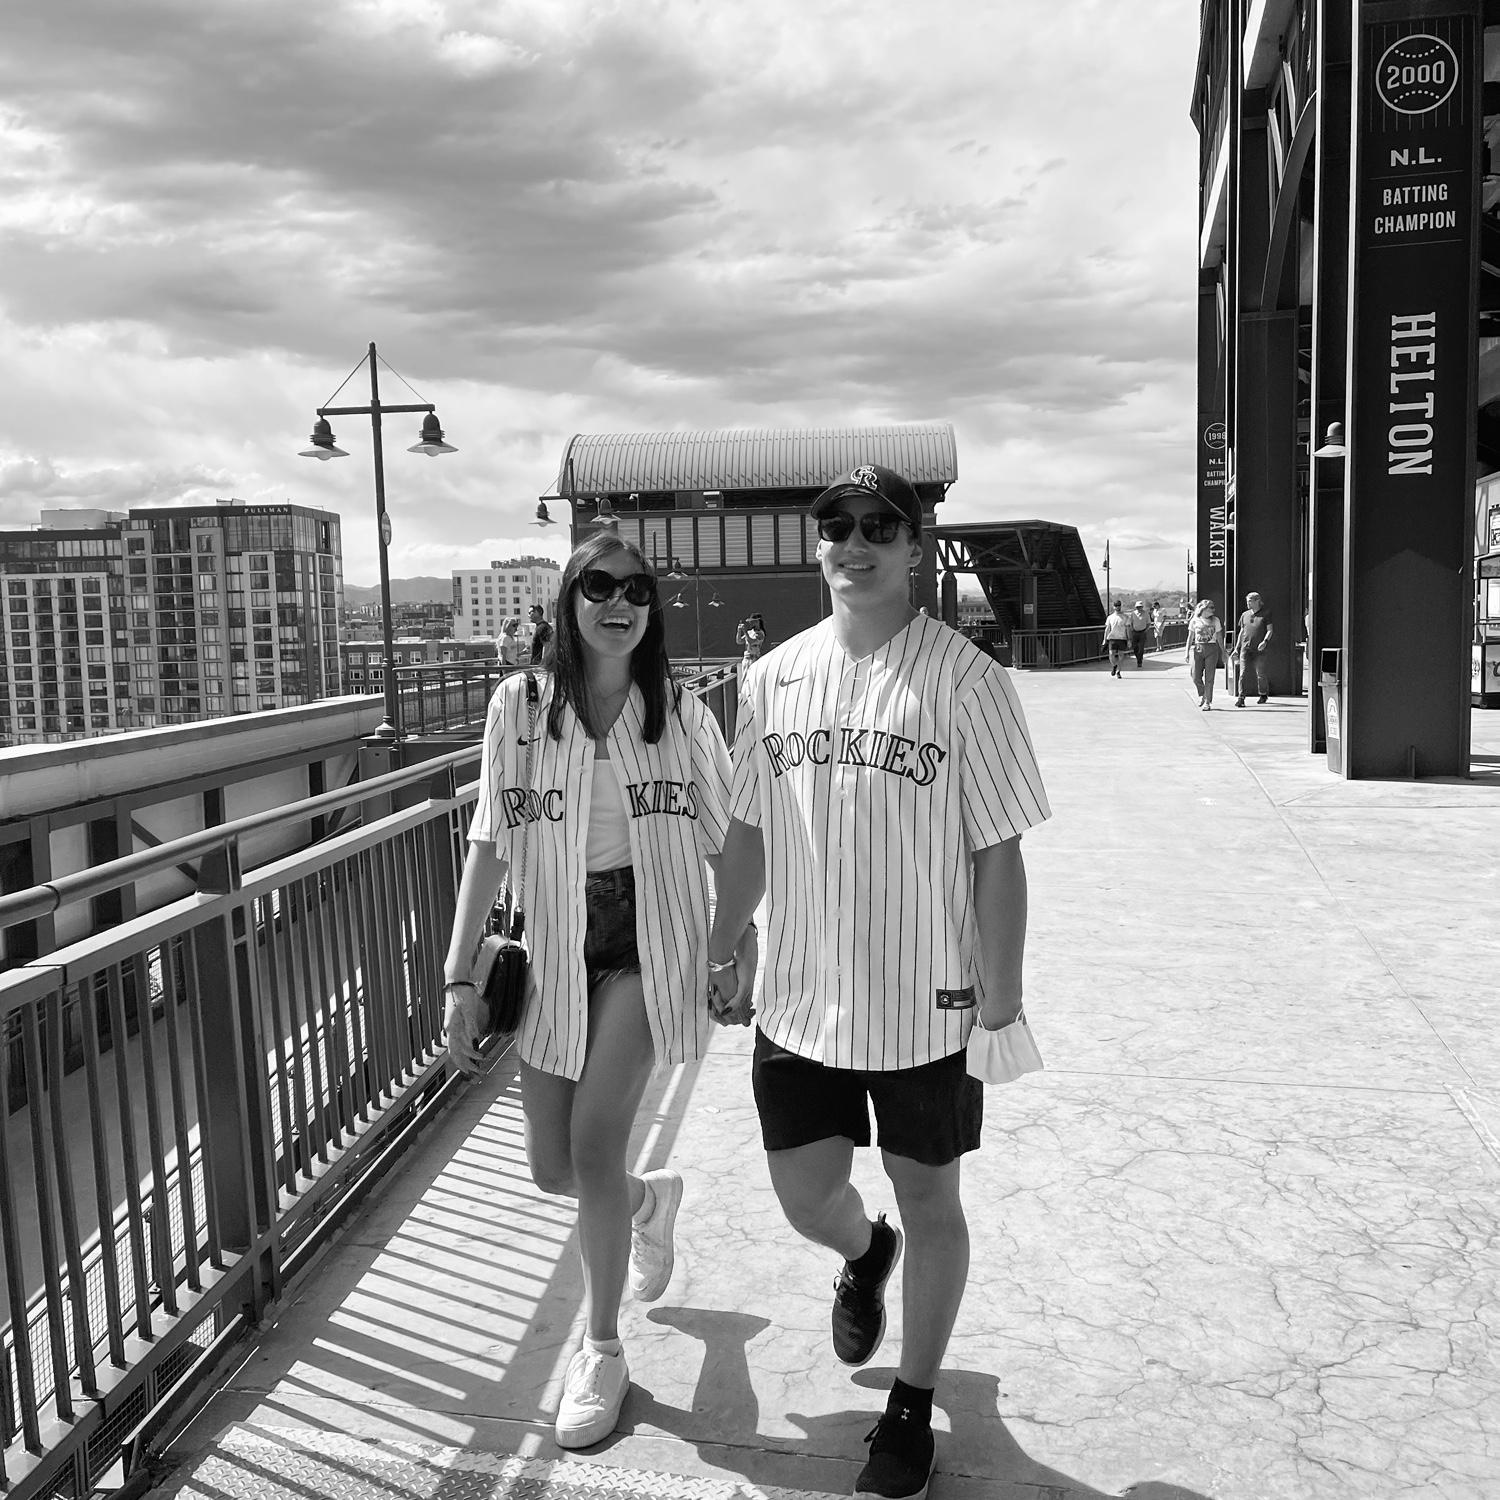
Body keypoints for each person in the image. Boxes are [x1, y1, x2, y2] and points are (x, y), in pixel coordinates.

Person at [706, 463, 1051, 1500]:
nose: (853, 544)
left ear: (914, 545)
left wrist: (1002, 1003)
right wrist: (727, 940)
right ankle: (865, 1254)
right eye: (835, 526)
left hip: (926, 998)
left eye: (877, 526)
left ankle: (910, 1403)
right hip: (803, 996)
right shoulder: (773, 679)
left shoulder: (967, 681)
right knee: (807, 1194)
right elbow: (750, 827)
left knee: (931, 1194)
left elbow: (998, 852)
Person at [443, 532, 740, 1450]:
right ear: (569, 602)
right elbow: (490, 841)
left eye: (637, 590)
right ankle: (652, 1204)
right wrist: (459, 977)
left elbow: (733, 836)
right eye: (599, 586)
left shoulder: (680, 713)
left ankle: (602, 1348)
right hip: (558, 945)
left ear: (651, 609)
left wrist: (740, 945)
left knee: (597, 1141)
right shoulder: (518, 709)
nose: (620, 602)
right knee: (557, 1170)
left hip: (654, 942)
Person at [1231, 591, 1274, 706]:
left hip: (1259, 649)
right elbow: (1241, 631)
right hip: (1246, 648)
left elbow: (1270, 630)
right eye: (1247, 601)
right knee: (1243, 673)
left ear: (1257, 601)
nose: (1248, 603)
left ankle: (1263, 694)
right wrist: (1236, 648)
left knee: (1260, 673)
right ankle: (1241, 697)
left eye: (1250, 601)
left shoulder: (1265, 613)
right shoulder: (1244, 615)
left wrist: (1265, 641)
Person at [1186, 598, 1228, 710]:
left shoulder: (1215, 620)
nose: (1213, 610)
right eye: (1211, 607)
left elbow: (1219, 637)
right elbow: (1190, 637)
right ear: (1204, 608)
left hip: (1212, 648)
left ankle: (1207, 701)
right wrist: (1187, 652)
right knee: (1195, 675)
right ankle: (1201, 694)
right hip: (1198, 647)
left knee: (1209, 677)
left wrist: (1223, 651)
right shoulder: (1195, 620)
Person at [1102, 600, 1129, 677]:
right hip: (1112, 638)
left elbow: (1128, 629)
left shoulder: (1125, 617)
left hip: (1122, 638)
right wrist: (1104, 640)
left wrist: (1129, 639)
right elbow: (1107, 629)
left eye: (1119, 605)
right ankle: (1114, 666)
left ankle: (1118, 671)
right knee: (1111, 654)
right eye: (1116, 605)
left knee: (1121, 655)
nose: (1118, 607)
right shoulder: (1110, 617)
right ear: (1114, 607)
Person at [736, 613, 767, 677]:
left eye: (753, 621)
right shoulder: (750, 632)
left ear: (758, 622)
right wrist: (739, 631)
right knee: (745, 679)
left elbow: (751, 642)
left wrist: (745, 631)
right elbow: (739, 641)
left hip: (754, 659)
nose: (751, 623)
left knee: (753, 678)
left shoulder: (760, 633)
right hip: (747, 658)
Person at [1128, 602, 1151, 668]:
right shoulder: (1133, 613)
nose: (1139, 608)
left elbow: (1149, 623)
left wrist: (1146, 630)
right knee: (1134, 647)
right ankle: (1138, 658)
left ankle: (1139, 661)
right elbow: (1131, 622)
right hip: (1135, 632)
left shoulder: (1146, 613)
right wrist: (1132, 629)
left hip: (1142, 632)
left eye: (1140, 607)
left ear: (1142, 607)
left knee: (1141, 648)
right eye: (1137, 607)